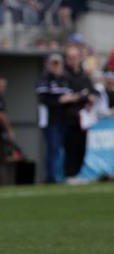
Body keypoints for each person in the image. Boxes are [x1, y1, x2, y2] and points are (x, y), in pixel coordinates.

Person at [36, 54, 77, 183]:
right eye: (53, 64)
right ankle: (51, 177)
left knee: (60, 149)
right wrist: (60, 101)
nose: (56, 66)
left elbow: (71, 98)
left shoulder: (65, 79)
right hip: (50, 121)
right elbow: (43, 99)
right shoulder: (44, 80)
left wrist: (71, 100)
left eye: (58, 63)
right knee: (52, 149)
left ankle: (59, 175)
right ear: (49, 65)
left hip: (63, 120)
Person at [63, 45, 98, 179]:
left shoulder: (84, 75)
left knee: (81, 148)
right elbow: (66, 95)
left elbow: (93, 91)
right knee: (70, 148)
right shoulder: (64, 75)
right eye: (70, 57)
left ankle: (76, 173)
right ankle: (69, 174)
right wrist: (83, 96)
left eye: (75, 57)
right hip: (70, 118)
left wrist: (91, 98)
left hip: (83, 119)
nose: (73, 60)